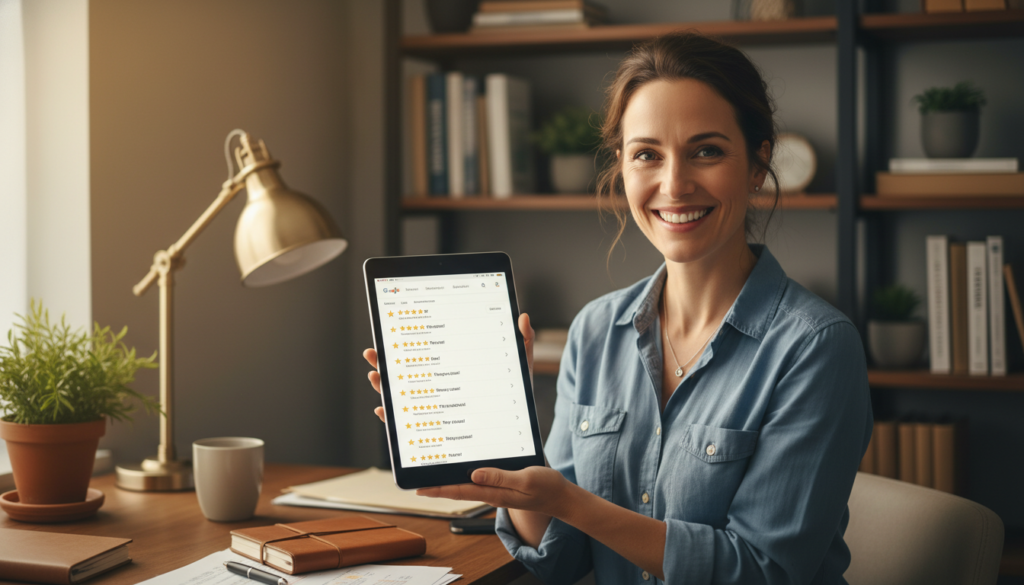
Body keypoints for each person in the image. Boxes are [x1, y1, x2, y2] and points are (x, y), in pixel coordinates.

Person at [363, 32, 871, 584]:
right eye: (647, 154)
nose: (673, 185)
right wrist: (518, 473)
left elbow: (763, 571)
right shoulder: (595, 330)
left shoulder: (816, 346)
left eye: (707, 151)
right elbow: (559, 561)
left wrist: (573, 502)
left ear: (757, 163)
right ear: (623, 168)